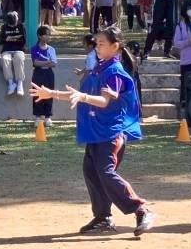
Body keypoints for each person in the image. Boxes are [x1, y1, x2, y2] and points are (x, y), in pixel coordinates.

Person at [34, 24, 154, 237]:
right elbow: (79, 95)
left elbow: (103, 101)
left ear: (115, 46)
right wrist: (51, 93)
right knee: (91, 172)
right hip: (96, 133)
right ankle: (103, 218)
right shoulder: (98, 69)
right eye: (96, 44)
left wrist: (83, 97)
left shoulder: (114, 72)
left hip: (111, 134)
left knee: (105, 172)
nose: (97, 47)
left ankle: (141, 209)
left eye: (101, 44)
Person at [31, 26, 57, 128]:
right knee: (37, 94)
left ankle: (47, 117)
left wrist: (43, 62)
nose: (47, 37)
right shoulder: (34, 49)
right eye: (45, 35)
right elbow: (35, 63)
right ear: (39, 36)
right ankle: (37, 117)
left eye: (49, 35)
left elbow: (54, 63)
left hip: (49, 74)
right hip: (38, 73)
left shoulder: (51, 49)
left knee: (49, 94)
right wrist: (47, 62)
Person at [0, 10, 27, 95]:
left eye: (14, 24)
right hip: (7, 50)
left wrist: (12, 39)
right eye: (11, 25)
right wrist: (7, 39)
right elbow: (0, 41)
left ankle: (20, 84)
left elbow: (23, 40)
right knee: (5, 59)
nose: (12, 26)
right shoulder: (4, 27)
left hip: (19, 49)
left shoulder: (21, 26)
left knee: (19, 59)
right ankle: (11, 84)